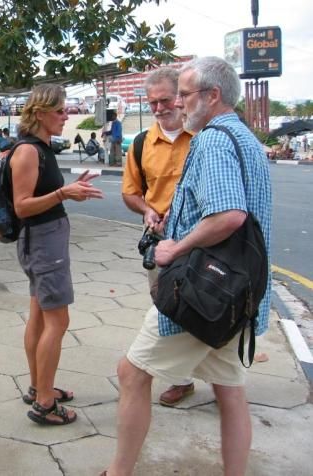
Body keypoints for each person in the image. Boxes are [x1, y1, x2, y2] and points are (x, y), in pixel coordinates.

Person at [104, 56, 271, 476]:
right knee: (230, 391)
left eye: (184, 94)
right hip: (238, 294)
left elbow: (228, 216)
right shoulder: (245, 138)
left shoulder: (213, 140)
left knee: (132, 372)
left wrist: (175, 248)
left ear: (212, 96)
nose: (178, 103)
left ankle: (118, 472)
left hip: (204, 291)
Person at [9, 84, 103, 425]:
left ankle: (39, 387)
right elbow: (21, 207)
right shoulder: (28, 151)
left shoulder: (43, 148)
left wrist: (67, 190)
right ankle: (45, 404)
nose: (67, 116)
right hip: (42, 242)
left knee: (39, 314)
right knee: (58, 321)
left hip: (45, 240)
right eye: (61, 111)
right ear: (40, 113)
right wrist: (64, 193)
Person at [121, 67, 195, 407]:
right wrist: (147, 211)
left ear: (181, 97)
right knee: (166, 306)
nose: (159, 108)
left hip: (203, 240)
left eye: (165, 99)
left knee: (212, 302)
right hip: (160, 243)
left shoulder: (205, 135)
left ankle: (222, 379)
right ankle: (182, 379)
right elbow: (131, 193)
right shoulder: (140, 143)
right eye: (152, 102)